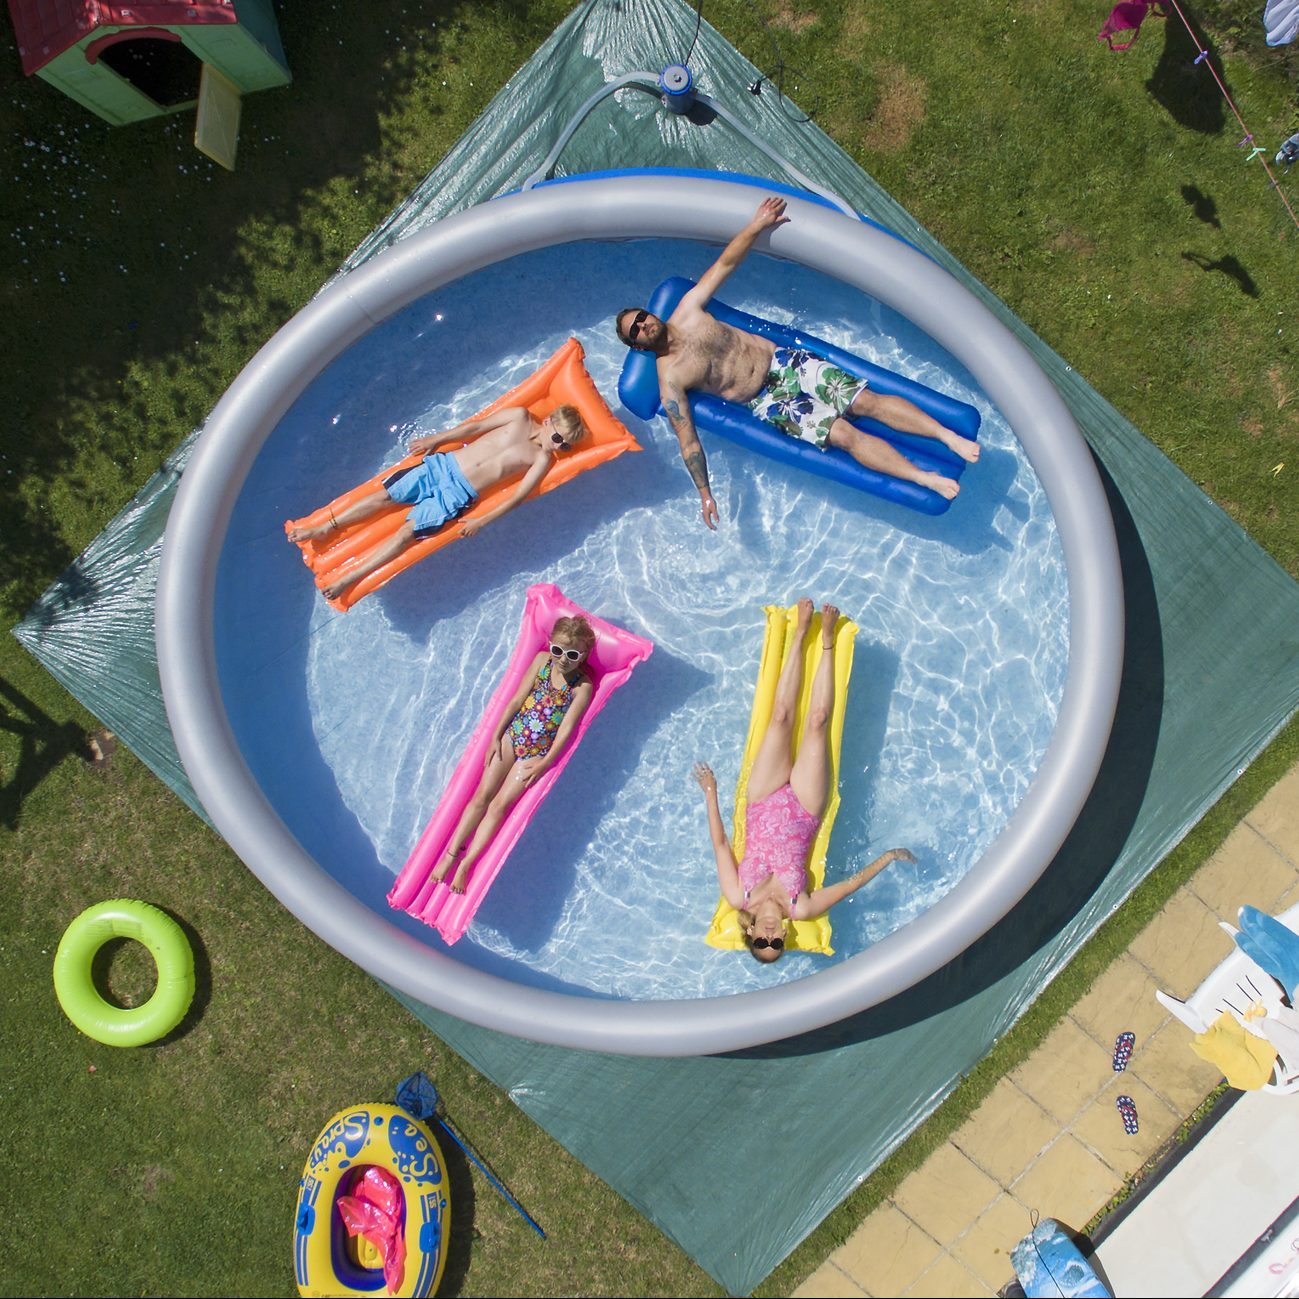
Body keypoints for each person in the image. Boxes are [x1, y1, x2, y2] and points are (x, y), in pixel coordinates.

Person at [615, 196, 979, 529]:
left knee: (864, 401)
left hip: (785, 361)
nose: (644, 324)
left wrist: (757, 225)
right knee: (842, 434)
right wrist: (704, 492)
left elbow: (725, 263)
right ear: (638, 346)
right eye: (636, 330)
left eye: (642, 317)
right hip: (767, 401)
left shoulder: (689, 310)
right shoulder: (671, 379)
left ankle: (947, 436)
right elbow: (688, 441)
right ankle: (922, 477)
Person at [692, 598, 915, 962]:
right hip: (805, 809)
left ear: (749, 933)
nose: (769, 940)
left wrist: (711, 792)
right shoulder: (802, 909)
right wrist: (889, 856)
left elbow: (720, 845)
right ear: (783, 936)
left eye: (759, 944)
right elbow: (851, 884)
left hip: (763, 799)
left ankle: (797, 636)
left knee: (780, 717)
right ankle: (826, 642)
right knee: (818, 722)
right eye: (776, 945)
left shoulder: (739, 897)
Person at [286, 405, 588, 601]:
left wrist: (482, 520)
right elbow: (475, 428)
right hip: (441, 466)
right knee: (384, 497)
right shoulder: (520, 417)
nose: (560, 446)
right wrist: (438, 439)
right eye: (559, 437)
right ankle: (325, 527)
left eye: (566, 445)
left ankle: (349, 577)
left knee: (405, 535)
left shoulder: (541, 458)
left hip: (457, 495)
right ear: (548, 420)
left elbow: (519, 495)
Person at [431, 616, 596, 894]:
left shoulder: (583, 686)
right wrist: (496, 735)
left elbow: (566, 728)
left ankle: (466, 864)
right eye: (558, 650)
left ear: (584, 655)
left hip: (536, 753)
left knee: (498, 807)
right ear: (550, 645)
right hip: (513, 736)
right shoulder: (543, 662)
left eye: (572, 654)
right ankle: (449, 856)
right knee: (481, 797)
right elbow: (517, 700)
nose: (563, 659)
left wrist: (545, 763)